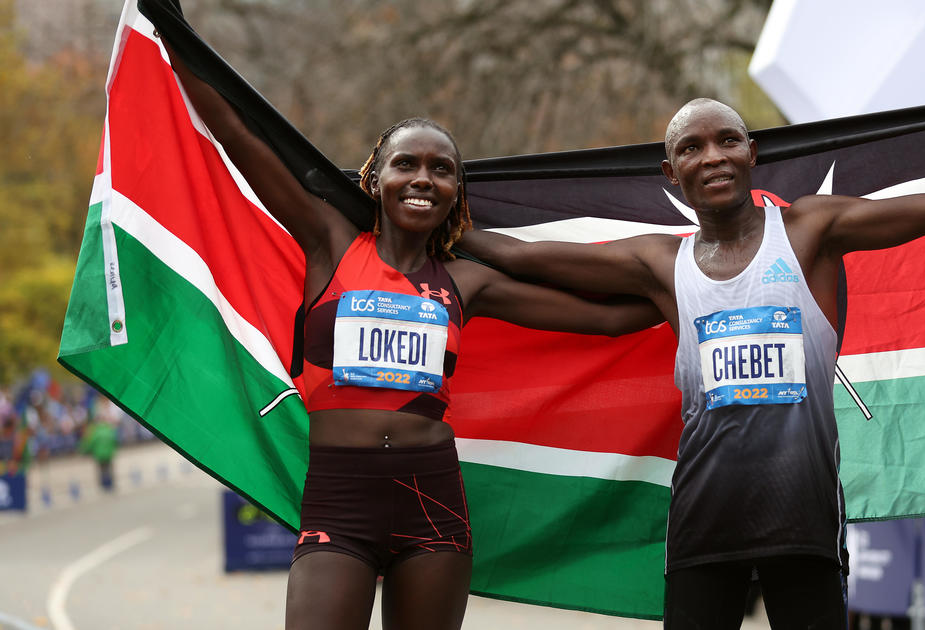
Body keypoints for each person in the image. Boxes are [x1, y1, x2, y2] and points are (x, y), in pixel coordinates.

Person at [459, 72, 925, 629]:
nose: (713, 156)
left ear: (752, 152)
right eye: (693, 149)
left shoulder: (811, 229)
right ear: (672, 172)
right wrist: (437, 222)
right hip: (703, 523)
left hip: (804, 524)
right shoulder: (661, 263)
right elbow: (531, 258)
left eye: (726, 140)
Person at [159, 36, 662, 630]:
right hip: (339, 498)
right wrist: (170, 34)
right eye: (407, 164)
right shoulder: (332, 245)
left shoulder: (464, 282)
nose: (423, 178)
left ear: (456, 191)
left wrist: (690, 286)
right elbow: (238, 136)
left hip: (433, 498)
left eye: (441, 170)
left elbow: (605, 318)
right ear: (375, 180)